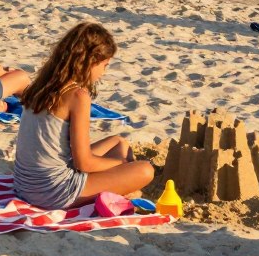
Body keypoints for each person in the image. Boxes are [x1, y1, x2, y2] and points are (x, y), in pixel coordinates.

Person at [14, 21, 154, 209]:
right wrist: (120, 164)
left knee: (119, 142)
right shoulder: (78, 96)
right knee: (145, 170)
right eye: (105, 65)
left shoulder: (42, 86)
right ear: (90, 61)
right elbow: (84, 163)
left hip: (24, 185)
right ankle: (122, 189)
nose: (104, 72)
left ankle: (120, 186)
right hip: (51, 192)